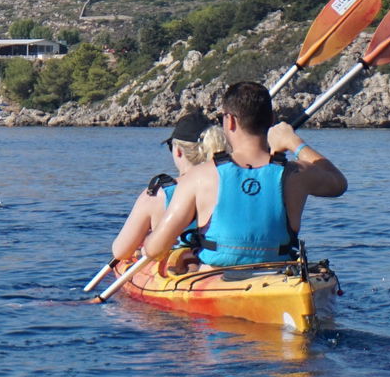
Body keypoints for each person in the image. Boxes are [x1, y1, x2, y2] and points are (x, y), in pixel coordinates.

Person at [143, 81, 348, 267]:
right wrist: (294, 142)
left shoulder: (198, 177)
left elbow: (155, 249)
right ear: (272, 120)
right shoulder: (298, 173)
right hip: (278, 275)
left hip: (217, 277)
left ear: (230, 121)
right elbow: (339, 183)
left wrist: (145, 245)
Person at [110, 111, 227, 261]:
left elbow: (120, 252)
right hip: (220, 264)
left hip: (174, 270)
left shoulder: (157, 195)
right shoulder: (231, 186)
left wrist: (147, 239)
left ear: (178, 151)